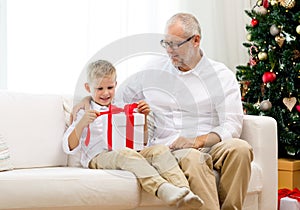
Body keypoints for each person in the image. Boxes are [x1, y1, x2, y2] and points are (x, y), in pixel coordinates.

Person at [73, 13, 253, 210]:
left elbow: (233, 124)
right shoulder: (152, 71)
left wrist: (198, 140)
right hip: (171, 147)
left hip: (210, 143)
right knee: (193, 158)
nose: (169, 51)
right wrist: (87, 98)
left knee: (241, 149)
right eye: (165, 43)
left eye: (175, 44)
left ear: (196, 41)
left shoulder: (221, 75)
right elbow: (115, 95)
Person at [63, 59, 204, 209]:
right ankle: (162, 188)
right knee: (125, 154)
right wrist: (82, 123)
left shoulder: (123, 107)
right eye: (99, 89)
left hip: (131, 151)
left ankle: (184, 191)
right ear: (88, 87)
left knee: (160, 150)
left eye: (110, 87)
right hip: (99, 156)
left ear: (116, 85)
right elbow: (68, 146)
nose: (105, 93)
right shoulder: (84, 111)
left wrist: (142, 119)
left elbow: (142, 142)